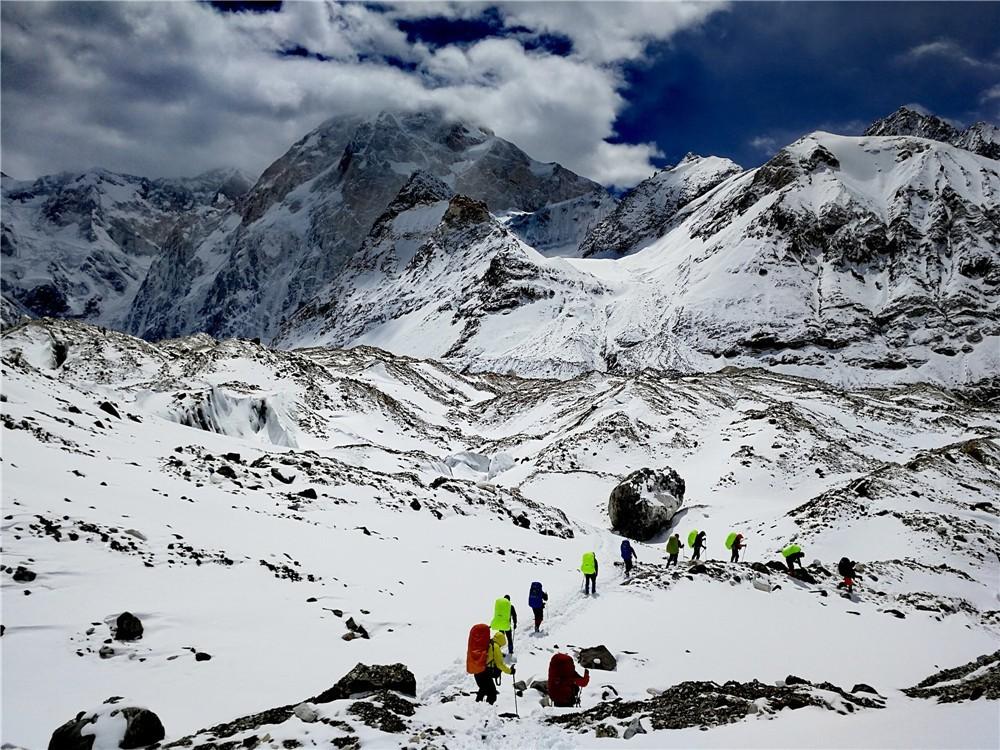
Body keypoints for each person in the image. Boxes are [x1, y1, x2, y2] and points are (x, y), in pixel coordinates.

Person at [474, 632, 514, 704]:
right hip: (485, 673)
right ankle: (485, 710)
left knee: (483, 690)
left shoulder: (488, 642)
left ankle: (477, 708)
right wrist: (510, 671)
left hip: (477, 670)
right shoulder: (495, 647)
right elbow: (500, 664)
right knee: (492, 694)